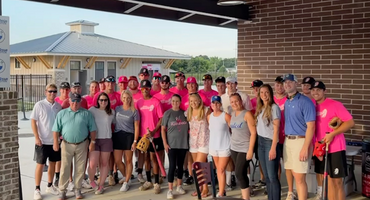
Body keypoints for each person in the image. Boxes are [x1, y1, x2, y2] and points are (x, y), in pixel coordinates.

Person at [311, 81, 354, 200]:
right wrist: (315, 149)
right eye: (313, 90)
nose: (316, 92)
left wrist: (332, 134)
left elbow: (350, 122)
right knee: (327, 181)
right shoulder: (312, 106)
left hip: (335, 148)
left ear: (325, 91)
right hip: (321, 149)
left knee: (337, 182)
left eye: (319, 90)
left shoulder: (335, 104)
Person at [52, 93, 97, 200]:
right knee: (65, 168)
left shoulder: (87, 114)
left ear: (80, 101)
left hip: (82, 144)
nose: (75, 103)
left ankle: (77, 189)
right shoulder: (62, 113)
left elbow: (93, 129)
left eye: (77, 101)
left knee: (80, 168)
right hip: (66, 144)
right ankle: (62, 190)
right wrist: (55, 142)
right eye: (73, 101)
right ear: (69, 100)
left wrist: (93, 142)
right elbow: (55, 129)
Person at [282, 74, 316, 200]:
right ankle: (291, 194)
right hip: (288, 140)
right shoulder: (287, 101)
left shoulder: (305, 101)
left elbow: (311, 126)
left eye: (290, 82)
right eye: (285, 82)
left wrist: (305, 147)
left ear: (296, 84)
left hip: (300, 141)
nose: (287, 84)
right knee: (289, 170)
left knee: (300, 178)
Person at [31, 84, 62, 200]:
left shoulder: (58, 106)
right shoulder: (39, 105)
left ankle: (50, 185)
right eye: (50, 91)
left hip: (54, 141)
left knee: (53, 164)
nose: (52, 93)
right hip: (42, 141)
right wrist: (36, 137)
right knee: (40, 164)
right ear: (45, 92)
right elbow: (33, 121)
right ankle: (37, 189)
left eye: (54, 91)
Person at [136, 80, 164, 194]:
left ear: (150, 89)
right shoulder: (139, 102)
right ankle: (148, 181)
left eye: (147, 88)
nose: (144, 91)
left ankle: (156, 182)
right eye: (142, 89)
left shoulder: (156, 102)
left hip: (155, 135)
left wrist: (154, 131)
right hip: (143, 136)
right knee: (146, 158)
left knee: (154, 159)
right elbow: (136, 120)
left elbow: (161, 118)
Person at [255, 84, 282, 200]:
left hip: (270, 143)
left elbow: (276, 130)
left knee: (272, 176)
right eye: (261, 92)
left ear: (270, 93)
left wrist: (273, 148)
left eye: (266, 92)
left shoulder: (274, 108)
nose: (264, 95)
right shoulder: (260, 108)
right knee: (266, 176)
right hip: (260, 142)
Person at [229, 93, 256, 200]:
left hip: (244, 148)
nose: (234, 103)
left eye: (236, 101)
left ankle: (246, 198)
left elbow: (253, 133)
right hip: (234, 148)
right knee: (241, 173)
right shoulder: (232, 113)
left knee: (239, 173)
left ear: (241, 101)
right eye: (232, 102)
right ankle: (245, 193)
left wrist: (250, 150)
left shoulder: (247, 114)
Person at [161, 94, 189, 199]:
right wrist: (165, 143)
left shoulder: (184, 113)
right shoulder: (167, 113)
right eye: (173, 101)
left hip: (182, 144)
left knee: (180, 165)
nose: (175, 103)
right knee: (172, 166)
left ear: (180, 102)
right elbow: (163, 129)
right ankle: (170, 189)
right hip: (171, 144)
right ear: (171, 102)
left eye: (177, 101)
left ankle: (179, 186)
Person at [88, 93, 115, 194]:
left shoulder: (112, 112)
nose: (103, 102)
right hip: (95, 139)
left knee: (104, 163)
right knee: (92, 163)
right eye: (101, 100)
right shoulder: (92, 110)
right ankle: (91, 181)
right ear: (98, 101)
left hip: (107, 139)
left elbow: (115, 124)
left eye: (105, 100)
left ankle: (101, 185)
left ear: (108, 101)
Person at [113, 90, 140, 192]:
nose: (126, 100)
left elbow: (136, 127)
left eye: (128, 98)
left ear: (131, 99)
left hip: (129, 136)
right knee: (118, 160)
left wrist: (135, 141)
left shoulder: (134, 111)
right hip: (118, 135)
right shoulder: (117, 109)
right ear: (121, 98)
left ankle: (126, 182)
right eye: (124, 98)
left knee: (128, 160)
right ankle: (126, 176)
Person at [187, 93, 212, 198]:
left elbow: (213, 124)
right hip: (193, 143)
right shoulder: (188, 112)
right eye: (191, 101)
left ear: (199, 100)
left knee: (201, 165)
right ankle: (200, 188)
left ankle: (206, 188)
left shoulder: (206, 110)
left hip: (204, 141)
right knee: (197, 167)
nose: (193, 103)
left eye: (195, 100)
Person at [207, 96, 231, 197]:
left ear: (220, 104)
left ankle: (221, 193)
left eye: (217, 103)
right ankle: (222, 189)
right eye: (213, 103)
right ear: (211, 105)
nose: (215, 105)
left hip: (224, 146)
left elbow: (232, 129)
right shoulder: (209, 116)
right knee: (218, 169)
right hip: (214, 146)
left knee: (221, 169)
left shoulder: (225, 116)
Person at [249, 79, 266, 191]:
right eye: (254, 88)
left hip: (265, 134)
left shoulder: (267, 101)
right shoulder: (252, 101)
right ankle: (262, 178)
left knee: (266, 159)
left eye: (258, 88)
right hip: (255, 133)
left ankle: (268, 179)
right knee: (259, 158)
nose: (255, 90)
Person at [273, 76, 288, 182]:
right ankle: (276, 184)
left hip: (286, 136)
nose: (279, 87)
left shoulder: (289, 99)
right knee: (275, 162)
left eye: (282, 85)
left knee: (287, 163)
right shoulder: (270, 99)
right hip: (273, 136)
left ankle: (291, 188)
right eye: (277, 85)